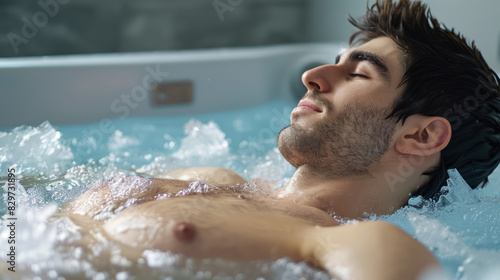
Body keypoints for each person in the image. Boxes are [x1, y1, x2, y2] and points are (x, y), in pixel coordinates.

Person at [62, 0, 500, 279]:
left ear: (421, 135)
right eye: (335, 62)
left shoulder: (360, 243)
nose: (312, 76)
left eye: (359, 73)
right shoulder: (208, 175)